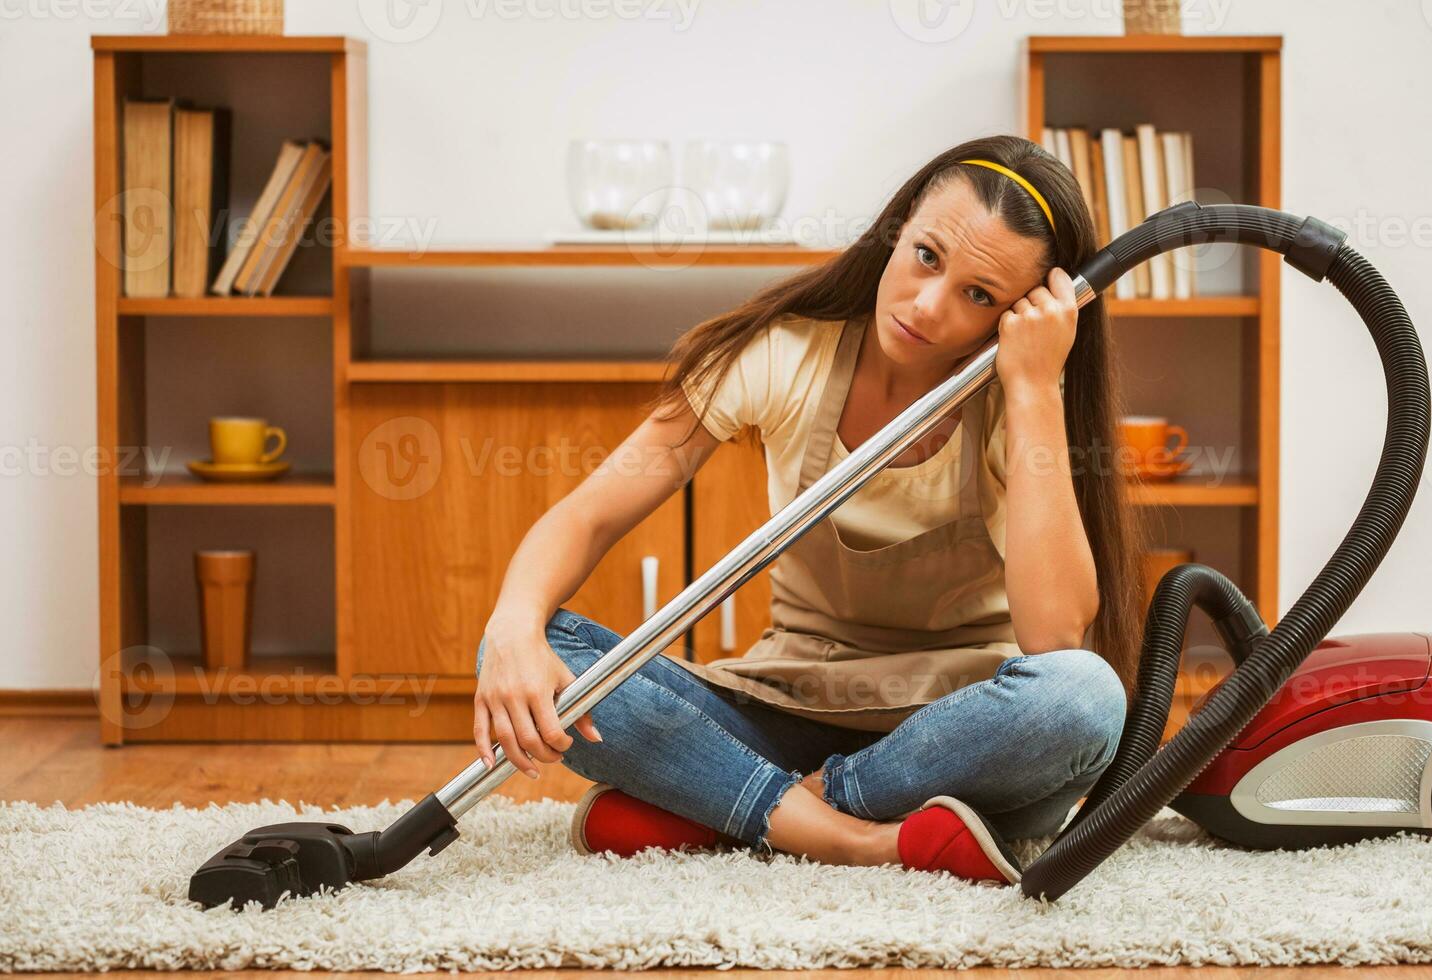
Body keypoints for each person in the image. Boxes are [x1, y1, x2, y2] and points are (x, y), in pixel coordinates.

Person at [473, 134, 1143, 885]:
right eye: (926, 256)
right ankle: (858, 838)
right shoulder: (785, 354)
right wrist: (511, 628)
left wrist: (1031, 389)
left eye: (978, 296)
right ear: (896, 230)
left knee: (1084, 699)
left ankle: (746, 809)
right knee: (544, 646)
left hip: (953, 740)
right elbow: (588, 515)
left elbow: (1055, 635)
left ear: (1016, 316)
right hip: (781, 713)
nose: (929, 306)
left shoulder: (1016, 399)